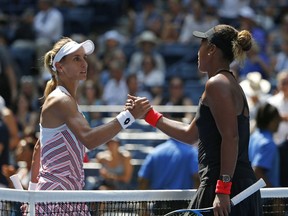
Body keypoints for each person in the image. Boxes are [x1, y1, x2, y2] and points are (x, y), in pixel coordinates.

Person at [129, 24, 262, 215]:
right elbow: (190, 134)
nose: (197, 51)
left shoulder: (217, 84)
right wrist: (149, 115)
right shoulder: (226, 84)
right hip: (229, 186)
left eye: (201, 44)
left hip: (226, 189)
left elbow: (231, 137)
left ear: (211, 49)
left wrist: (223, 189)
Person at [29, 37, 151, 191]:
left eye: (84, 58)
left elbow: (38, 149)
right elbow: (89, 139)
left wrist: (32, 193)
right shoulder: (61, 100)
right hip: (55, 194)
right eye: (76, 59)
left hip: (69, 193)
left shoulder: (67, 101)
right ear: (60, 66)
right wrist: (128, 116)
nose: (84, 63)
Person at [248, 103, 281, 187]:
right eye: (277, 119)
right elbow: (257, 171)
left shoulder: (253, 137)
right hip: (265, 197)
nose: (279, 123)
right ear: (271, 121)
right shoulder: (268, 143)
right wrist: (275, 196)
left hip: (252, 194)